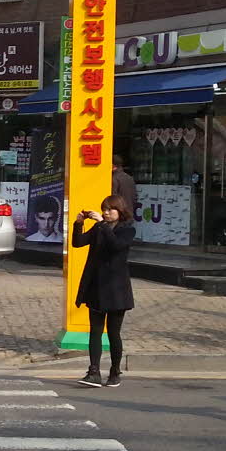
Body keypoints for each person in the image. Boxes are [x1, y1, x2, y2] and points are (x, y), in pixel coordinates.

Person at [73, 194, 136, 388]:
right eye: (104, 209)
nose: (106, 213)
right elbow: (78, 242)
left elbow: (116, 246)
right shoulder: (99, 228)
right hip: (97, 287)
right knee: (95, 331)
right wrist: (78, 224)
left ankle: (115, 371)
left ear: (120, 211)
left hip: (117, 289)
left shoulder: (127, 230)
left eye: (110, 209)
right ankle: (93, 372)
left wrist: (101, 224)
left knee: (113, 333)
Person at [111, 154, 138, 221]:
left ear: (113, 165)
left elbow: (112, 199)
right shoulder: (130, 178)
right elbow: (135, 197)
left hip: (118, 216)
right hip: (129, 214)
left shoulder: (114, 179)